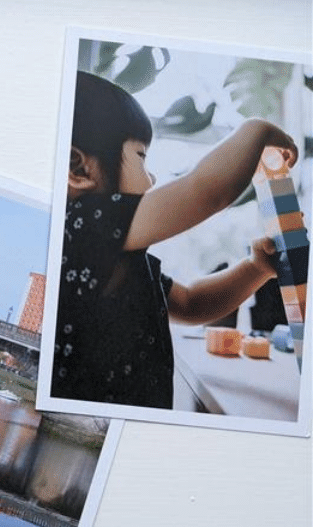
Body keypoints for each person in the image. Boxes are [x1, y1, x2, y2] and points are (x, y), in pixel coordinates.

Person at [51, 71, 298, 409]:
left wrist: (256, 269)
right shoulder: (81, 230)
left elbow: (193, 303)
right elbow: (204, 190)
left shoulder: (119, 257)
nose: (151, 179)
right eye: (140, 156)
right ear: (77, 168)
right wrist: (257, 131)